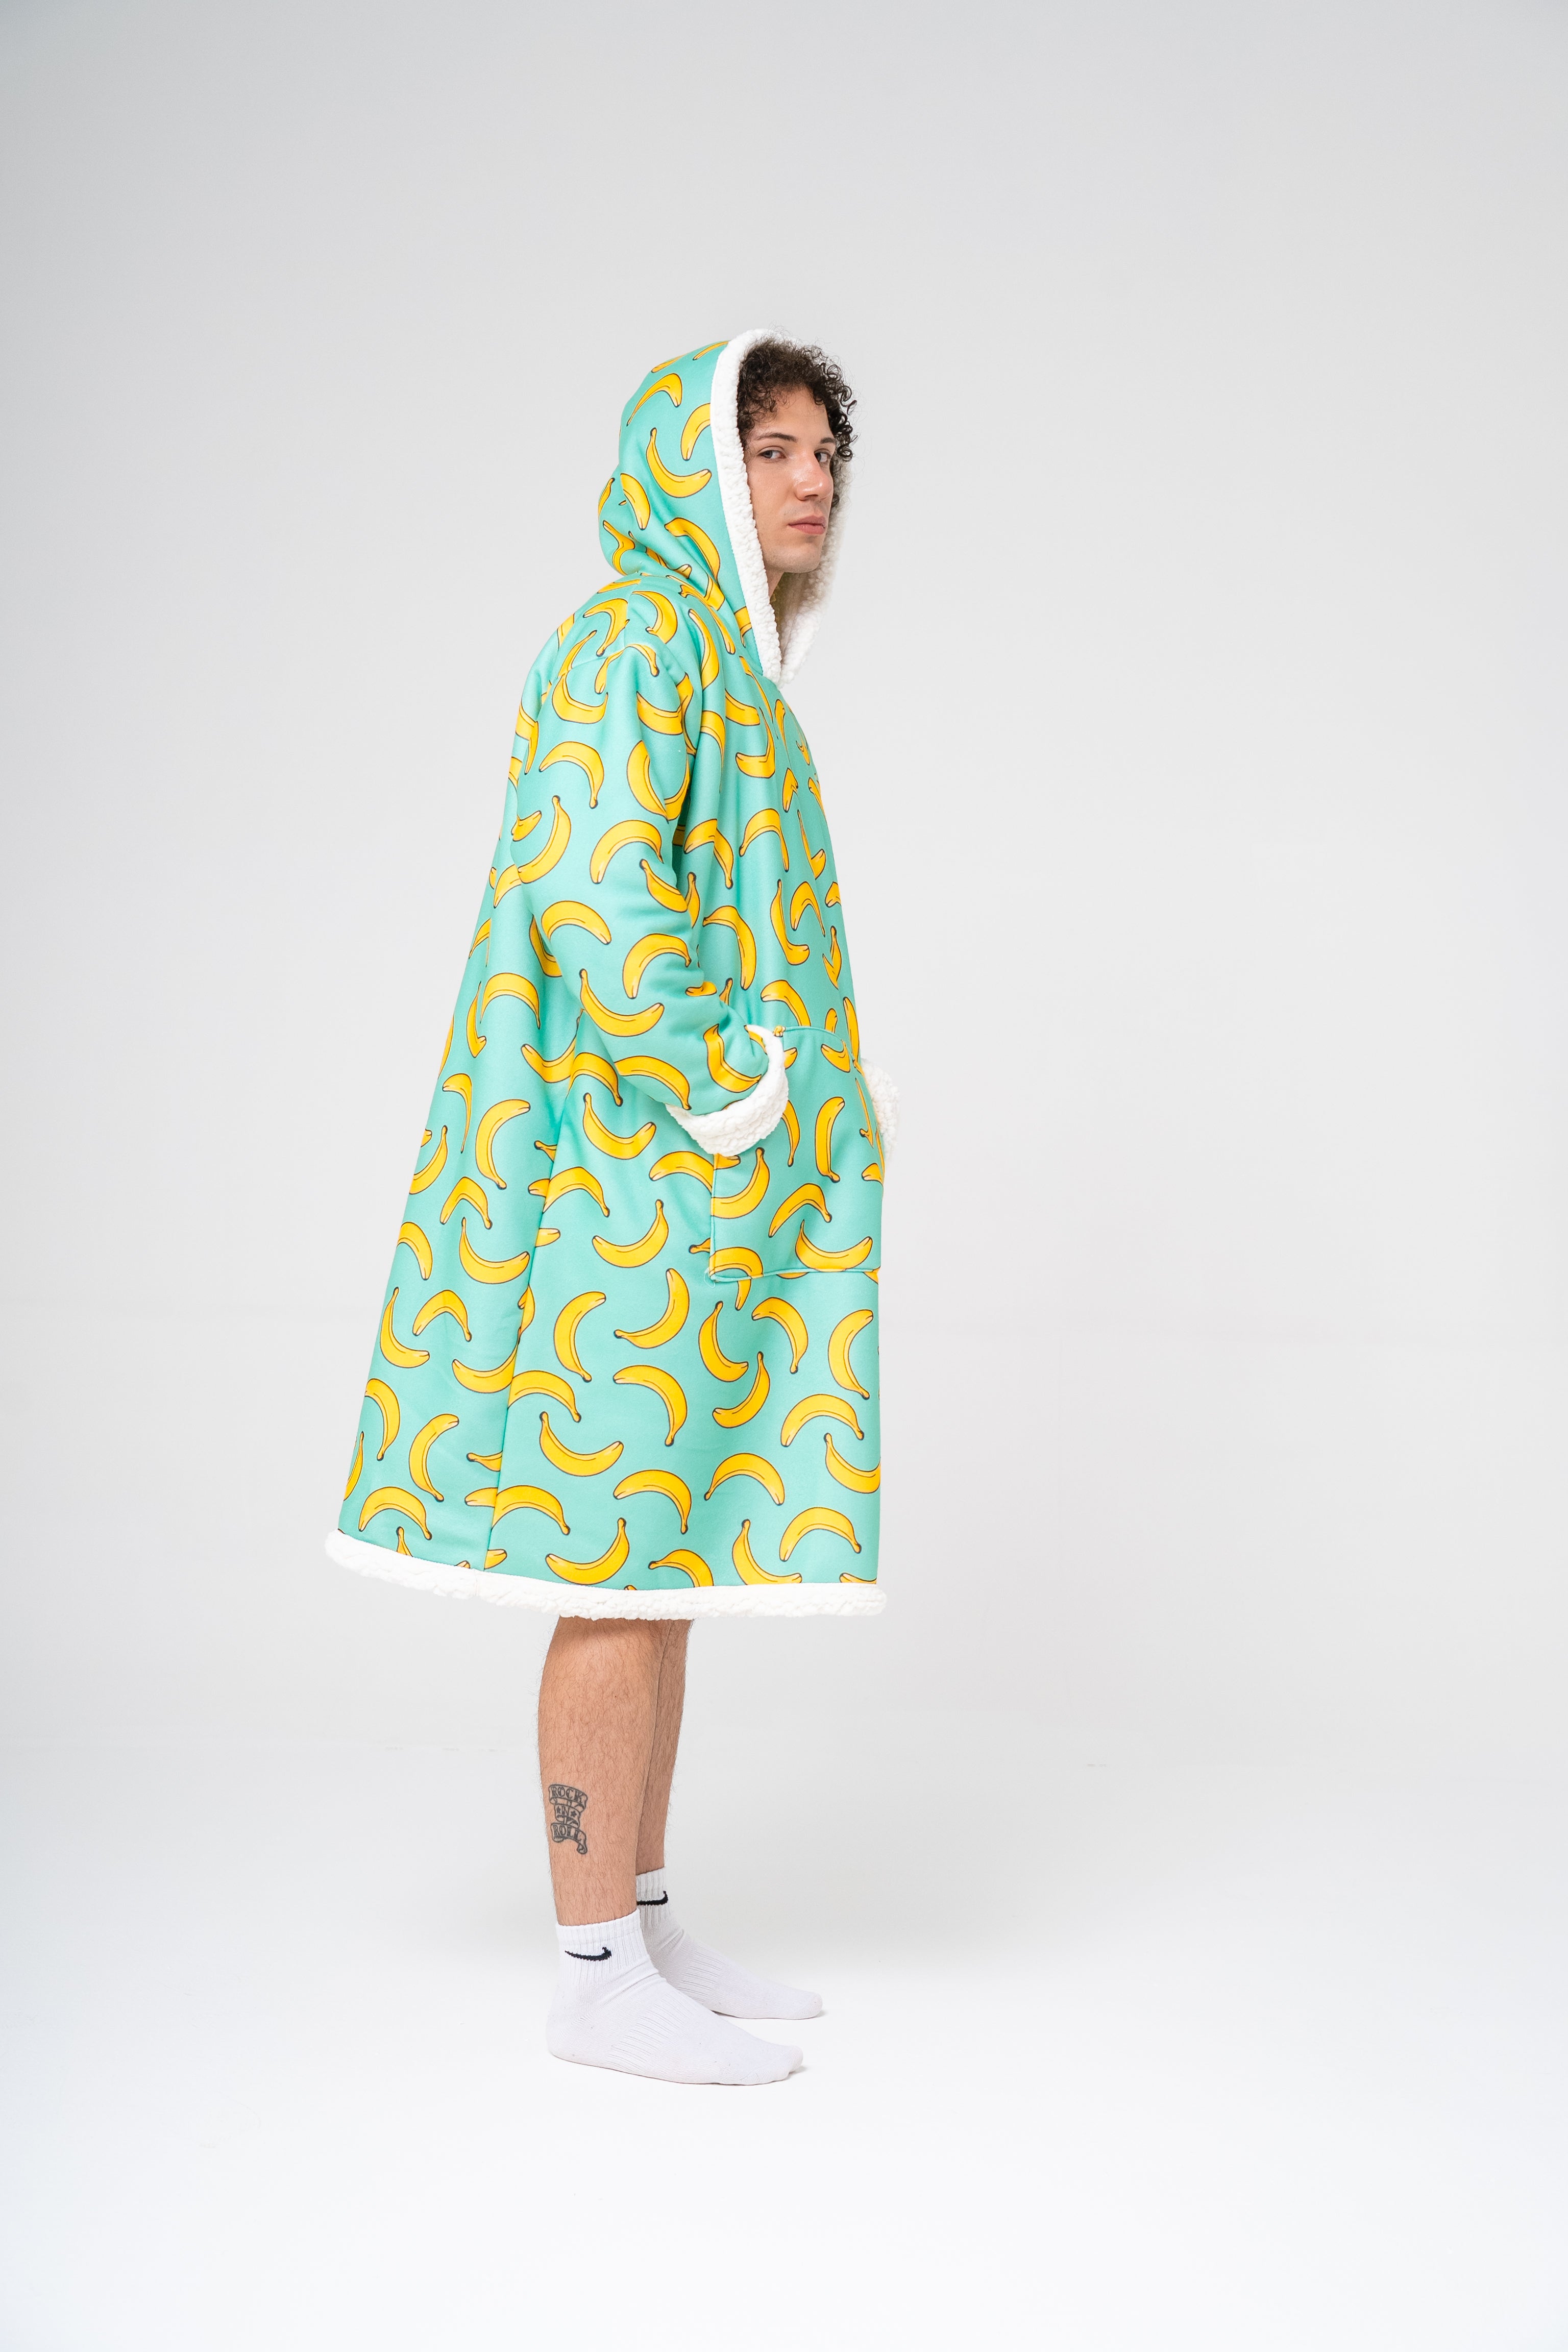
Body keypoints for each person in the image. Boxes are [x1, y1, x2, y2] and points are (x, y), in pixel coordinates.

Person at [328, 331, 896, 2085]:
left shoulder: (732, 672)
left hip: (700, 1198)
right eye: (770, 447)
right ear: (693, 468)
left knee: (671, 1557)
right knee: (614, 1564)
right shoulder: (634, 643)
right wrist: (732, 1076)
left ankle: (638, 1921)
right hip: (618, 1191)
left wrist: (787, 1113)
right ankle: (592, 1976)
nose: (809, 478)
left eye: (826, 452)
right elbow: (595, 882)